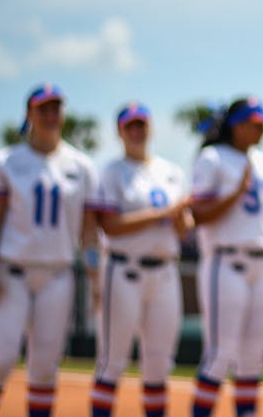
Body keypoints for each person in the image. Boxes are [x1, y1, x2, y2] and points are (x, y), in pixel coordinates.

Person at [0, 84, 99, 417]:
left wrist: (94, 275)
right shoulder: (7, 161)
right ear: (29, 114)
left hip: (58, 274)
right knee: (0, 360)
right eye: (43, 108)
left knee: (46, 366)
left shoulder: (81, 165)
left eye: (55, 108)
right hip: (11, 271)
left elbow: (89, 230)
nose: (50, 115)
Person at [88, 102, 193, 417]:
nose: (136, 131)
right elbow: (110, 227)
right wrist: (164, 213)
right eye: (130, 125)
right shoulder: (112, 171)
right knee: (113, 360)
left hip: (164, 272)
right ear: (120, 132)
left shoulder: (170, 171)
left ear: (150, 128)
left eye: (141, 124)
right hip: (124, 269)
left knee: (159, 363)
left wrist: (178, 217)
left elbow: (185, 228)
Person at [189, 98, 263, 417]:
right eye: (256, 123)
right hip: (226, 261)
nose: (262, 129)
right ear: (237, 125)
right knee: (220, 354)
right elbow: (197, 214)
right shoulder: (213, 157)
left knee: (254, 357)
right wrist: (232, 195)